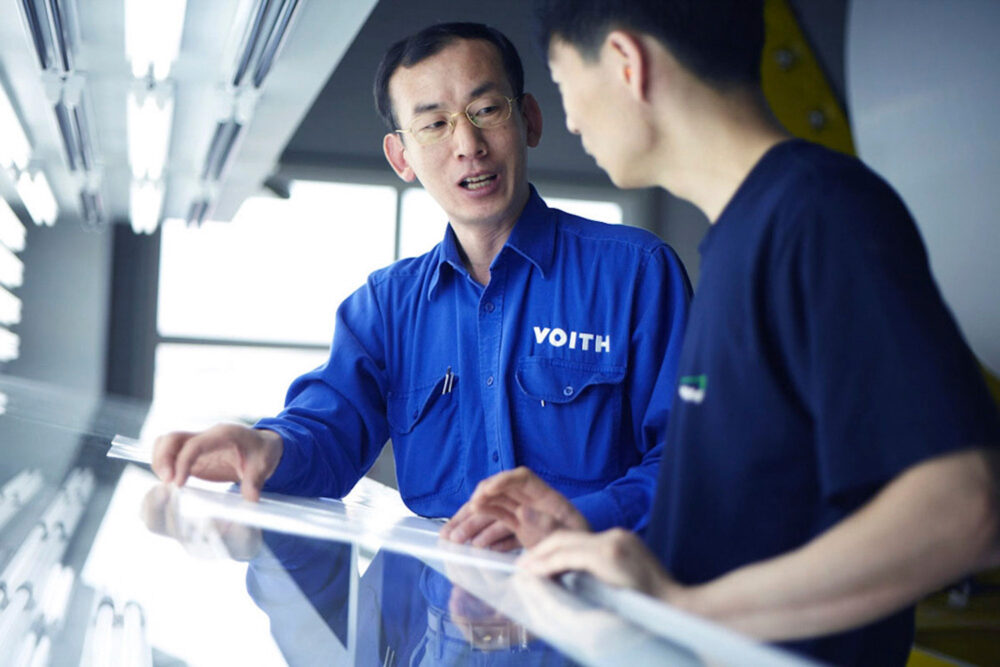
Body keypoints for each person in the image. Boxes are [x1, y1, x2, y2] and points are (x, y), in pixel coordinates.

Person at [458, 1, 1000, 663]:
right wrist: (608, 541)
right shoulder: (734, 242)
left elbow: (963, 506)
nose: (569, 119)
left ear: (627, 64)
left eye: (567, 86)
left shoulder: (817, 214)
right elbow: (769, 505)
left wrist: (686, 610)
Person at [151, 23, 691, 551]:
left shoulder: (637, 274)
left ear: (528, 119)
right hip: (444, 618)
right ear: (401, 156)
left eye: (486, 110)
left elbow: (690, 459)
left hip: (596, 601)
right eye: (434, 124)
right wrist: (264, 447)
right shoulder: (387, 307)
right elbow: (329, 433)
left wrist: (578, 521)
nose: (468, 144)